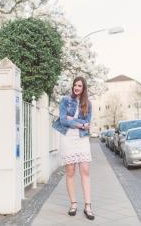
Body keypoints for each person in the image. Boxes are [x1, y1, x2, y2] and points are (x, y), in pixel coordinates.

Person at [53, 76, 95, 220]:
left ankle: (88, 206)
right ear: (72, 86)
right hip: (68, 138)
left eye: (80, 86)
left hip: (82, 138)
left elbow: (88, 123)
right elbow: (63, 120)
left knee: (85, 170)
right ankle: (73, 204)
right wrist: (80, 123)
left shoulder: (88, 104)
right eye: (75, 85)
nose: (77, 88)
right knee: (70, 171)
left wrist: (76, 122)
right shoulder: (65, 100)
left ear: (84, 89)